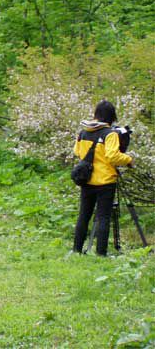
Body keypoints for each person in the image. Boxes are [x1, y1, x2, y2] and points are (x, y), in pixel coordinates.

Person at [72, 100, 134, 256]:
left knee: (84, 216)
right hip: (105, 181)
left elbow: (78, 152)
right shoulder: (110, 134)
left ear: (96, 114)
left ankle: (77, 250)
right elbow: (113, 156)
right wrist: (128, 159)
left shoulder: (83, 132)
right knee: (103, 217)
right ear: (112, 117)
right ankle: (101, 253)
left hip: (87, 180)